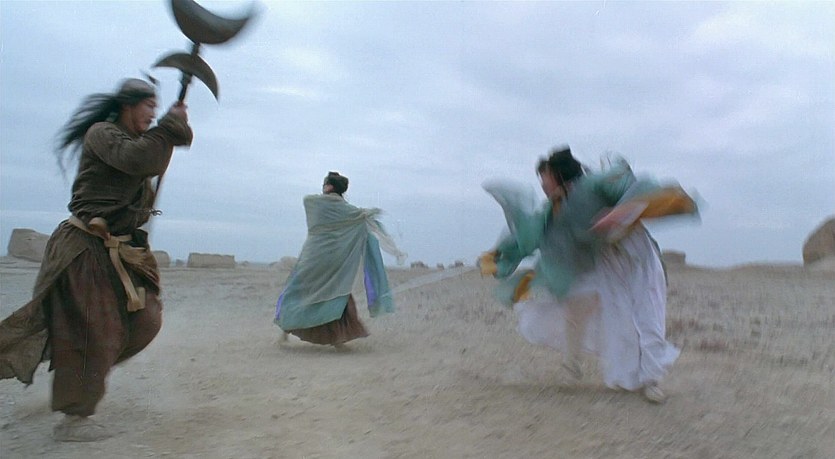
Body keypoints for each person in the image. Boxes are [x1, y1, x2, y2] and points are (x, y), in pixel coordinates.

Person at [0, 78, 193, 440]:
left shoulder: (137, 141)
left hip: (118, 252)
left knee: (145, 319)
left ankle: (80, 373)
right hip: (84, 249)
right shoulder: (102, 133)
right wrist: (170, 125)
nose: (152, 114)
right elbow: (140, 159)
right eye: (148, 106)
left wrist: (172, 128)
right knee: (94, 330)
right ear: (127, 105)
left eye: (156, 108)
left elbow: (151, 157)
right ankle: (74, 419)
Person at [479, 146, 697, 403]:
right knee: (619, 318)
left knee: (648, 313)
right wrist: (498, 258)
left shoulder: (596, 183)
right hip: (606, 264)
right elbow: (529, 236)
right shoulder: (553, 210)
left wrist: (617, 214)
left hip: (637, 254)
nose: (542, 184)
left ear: (557, 174)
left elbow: (638, 190)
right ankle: (629, 376)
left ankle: (652, 380)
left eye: (544, 177)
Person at [275, 172, 406, 347]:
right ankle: (338, 340)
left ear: (329, 186)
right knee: (336, 294)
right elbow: (364, 216)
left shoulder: (313, 203)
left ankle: (284, 332)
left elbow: (309, 200)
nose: (322, 187)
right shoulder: (350, 212)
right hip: (335, 262)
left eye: (324, 184)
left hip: (312, 259)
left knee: (296, 293)